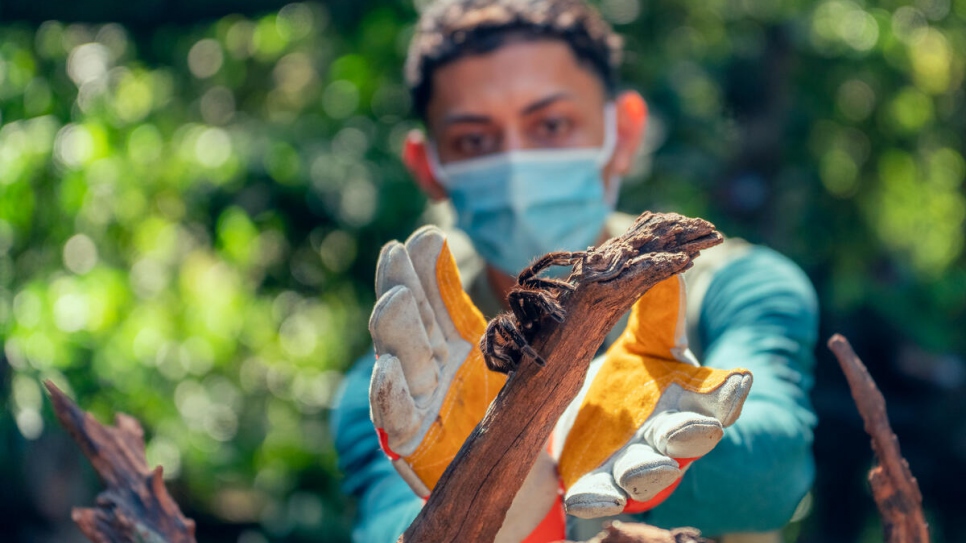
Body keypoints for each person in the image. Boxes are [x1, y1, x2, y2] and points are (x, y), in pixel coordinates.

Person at [331, 0, 818, 541]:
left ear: (625, 134)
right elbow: (390, 525)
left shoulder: (736, 287)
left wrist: (584, 428)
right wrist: (489, 491)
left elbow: (774, 467)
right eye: (474, 139)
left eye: (552, 123)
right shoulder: (397, 382)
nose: (517, 165)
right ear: (429, 167)